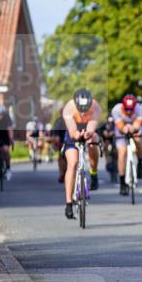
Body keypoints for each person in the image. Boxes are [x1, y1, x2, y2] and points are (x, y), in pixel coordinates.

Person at [62, 88, 102, 219]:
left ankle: (94, 172)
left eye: (86, 109)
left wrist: (88, 134)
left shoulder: (96, 107)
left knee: (94, 139)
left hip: (87, 130)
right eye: (81, 110)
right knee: (72, 163)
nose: (84, 113)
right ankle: (68, 203)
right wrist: (77, 135)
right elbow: (73, 131)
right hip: (73, 132)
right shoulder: (68, 108)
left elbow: (91, 128)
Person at [111, 94, 142, 195]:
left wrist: (133, 129)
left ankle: (140, 163)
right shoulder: (116, 109)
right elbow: (120, 126)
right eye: (127, 109)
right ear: (123, 106)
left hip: (134, 127)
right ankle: (122, 182)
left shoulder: (140, 109)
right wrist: (124, 129)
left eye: (131, 109)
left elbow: (137, 124)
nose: (129, 112)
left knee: (138, 139)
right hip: (121, 129)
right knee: (122, 152)